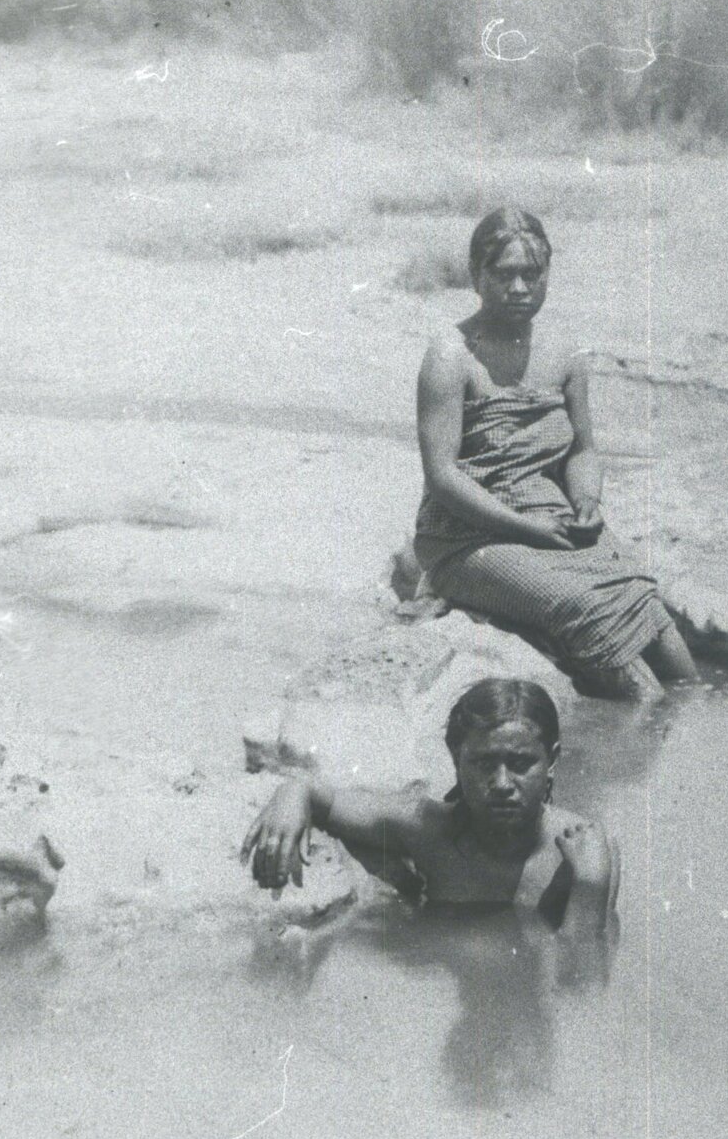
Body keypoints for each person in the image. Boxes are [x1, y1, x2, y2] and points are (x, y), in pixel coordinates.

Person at [413, 206, 696, 700]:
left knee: (644, 598)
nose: (520, 288)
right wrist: (526, 529)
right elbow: (442, 477)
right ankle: (646, 728)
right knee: (579, 604)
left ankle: (688, 725)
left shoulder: (564, 354)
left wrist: (587, 502)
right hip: (467, 537)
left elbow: (583, 451)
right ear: (476, 277)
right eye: (504, 274)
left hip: (552, 520)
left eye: (533, 273)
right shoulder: (450, 356)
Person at [240, 678, 617, 934]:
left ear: (551, 761)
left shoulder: (584, 851)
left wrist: (589, 884)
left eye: (520, 764)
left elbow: (579, 987)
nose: (502, 784)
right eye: (484, 764)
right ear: (455, 760)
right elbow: (331, 801)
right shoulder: (428, 829)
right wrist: (293, 793)